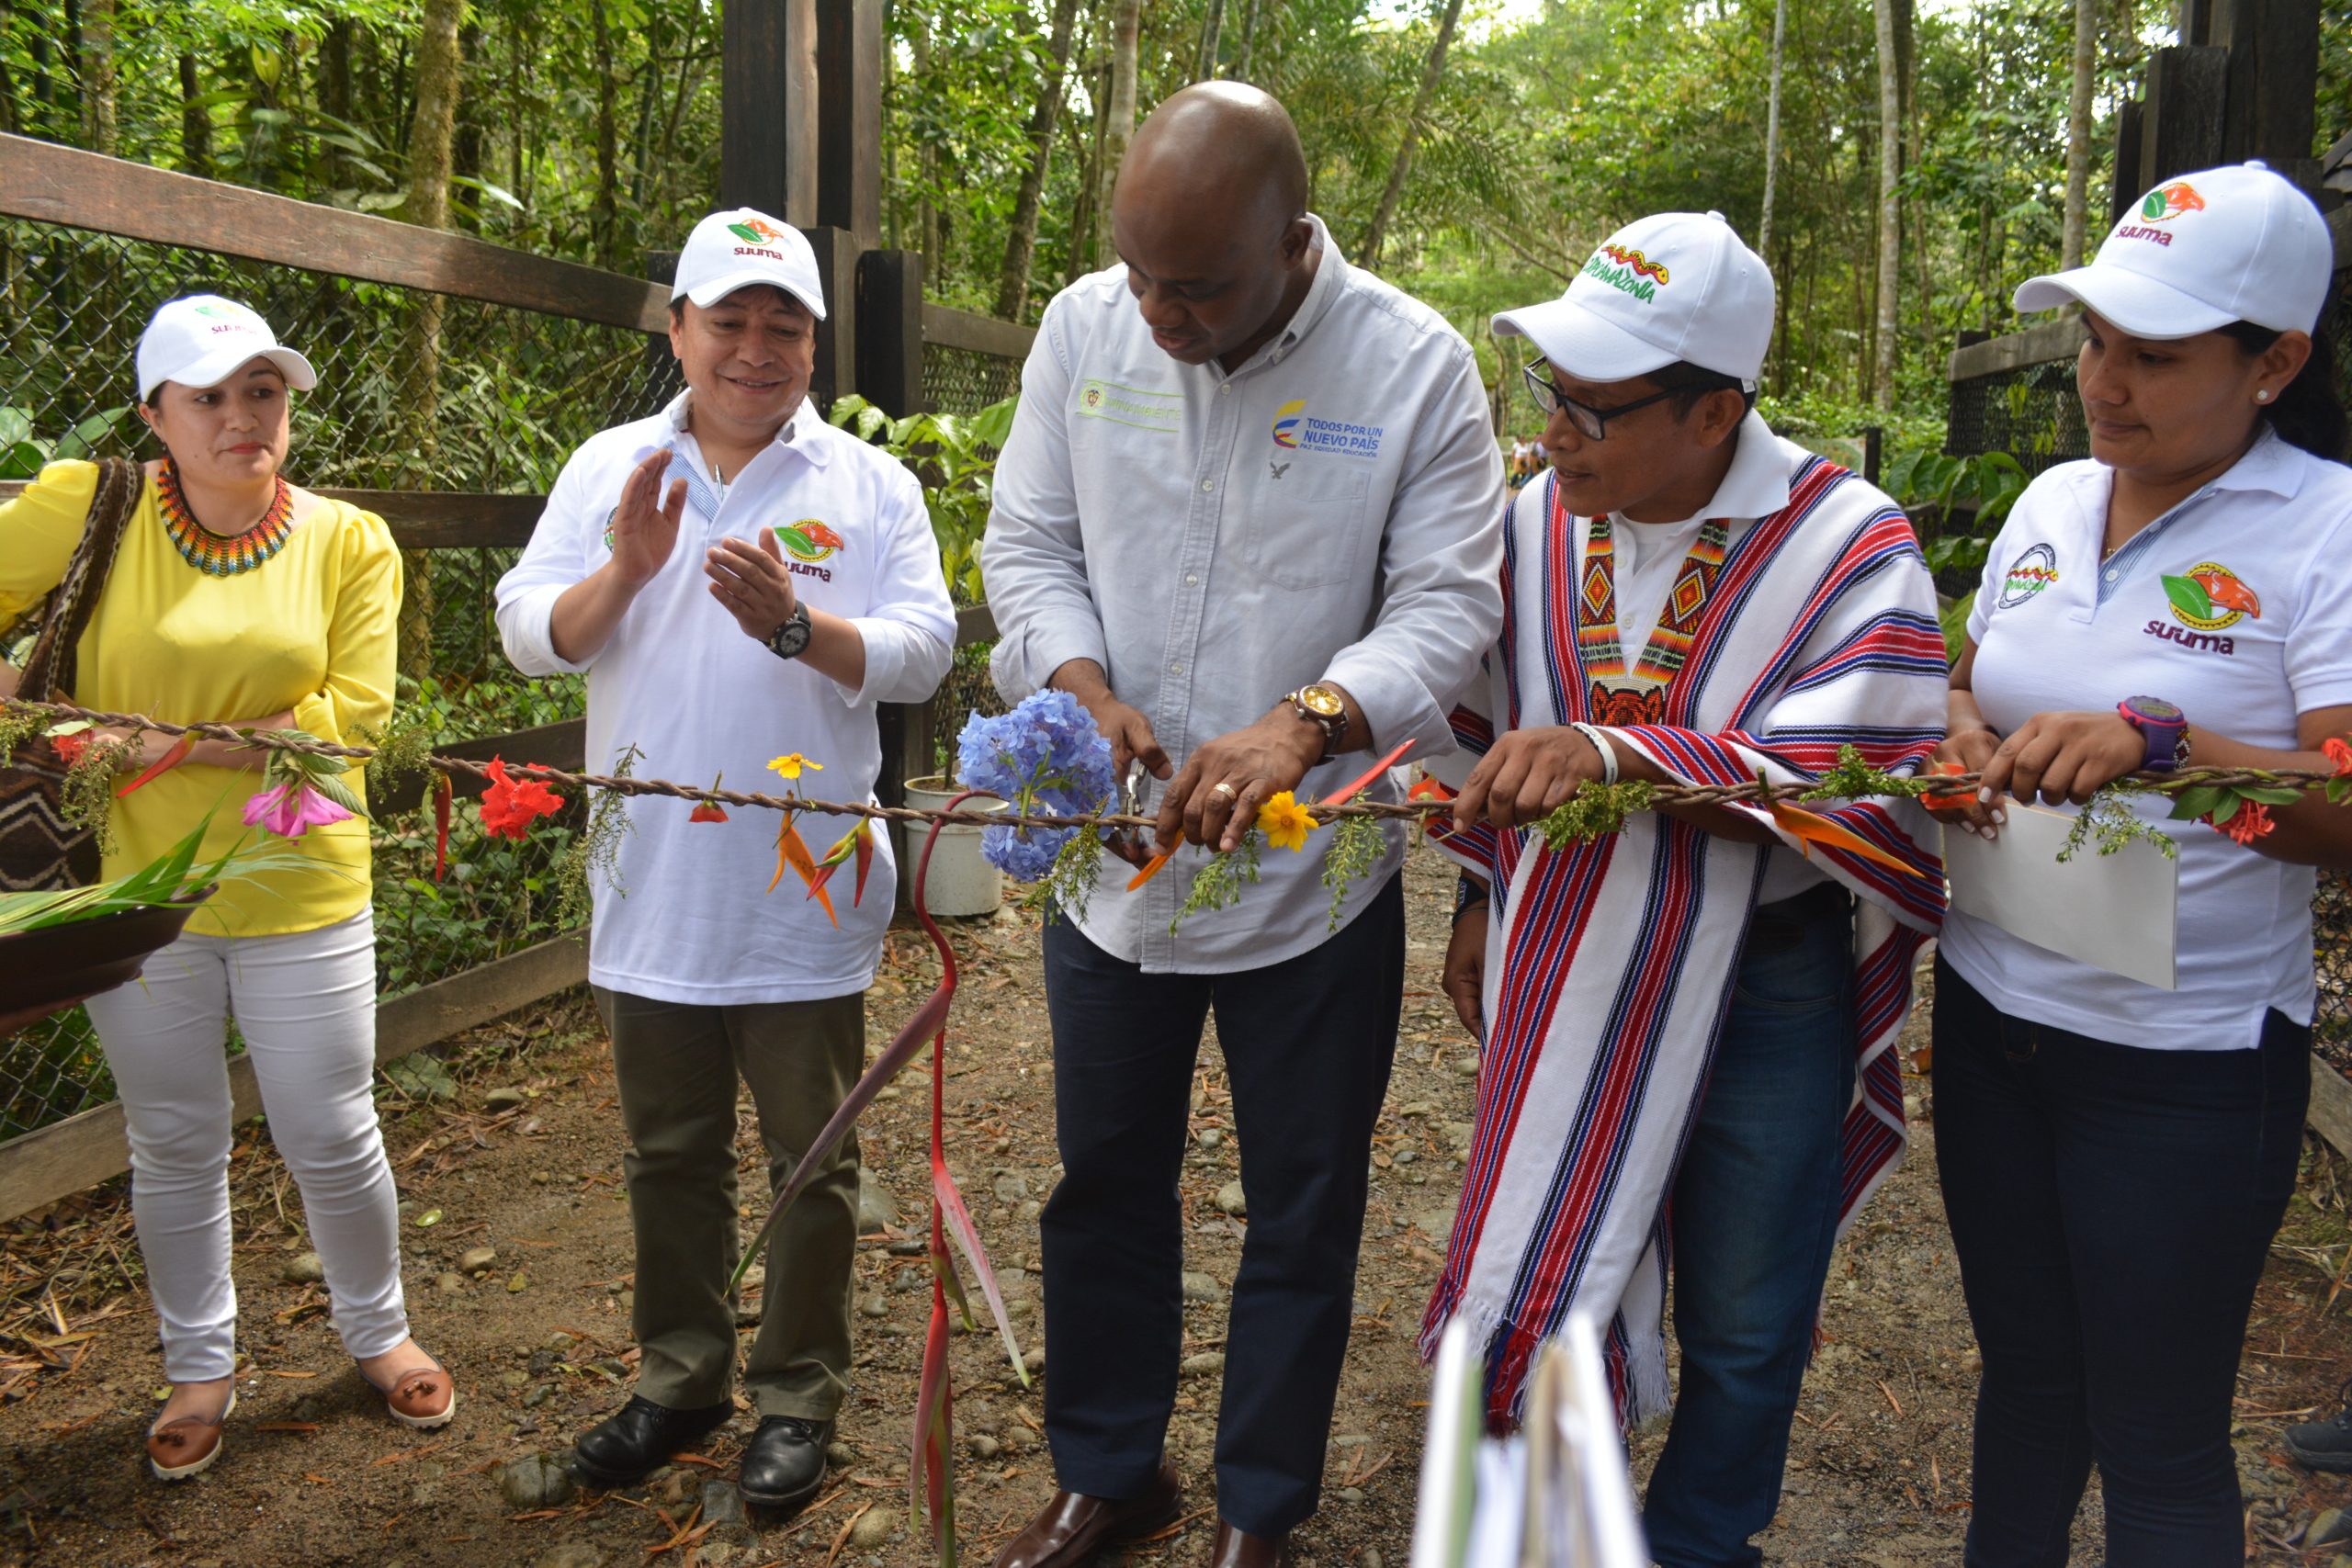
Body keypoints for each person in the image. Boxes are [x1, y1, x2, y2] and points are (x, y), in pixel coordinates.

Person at [982, 83, 1505, 1568]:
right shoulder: (1086, 330)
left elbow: (1452, 604)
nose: (1157, 312)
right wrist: (1077, 684)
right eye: (1140, 273)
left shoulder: (1412, 366)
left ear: (1293, 241)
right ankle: (1109, 1471)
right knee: (1104, 1187)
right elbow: (1029, 539)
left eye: (1197, 285)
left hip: (1312, 883)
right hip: (1118, 873)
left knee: (1302, 1206)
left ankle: (1260, 1509)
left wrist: (1312, 718)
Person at [1422, 212, 1947, 1567]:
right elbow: (1482, 723)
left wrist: (1616, 750)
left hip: (1767, 966)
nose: (1556, 432)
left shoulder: (1844, 538)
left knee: (1749, 1301)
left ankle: (1705, 1535)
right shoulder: (1533, 523)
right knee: (1541, 1235)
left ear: (1717, 409)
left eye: (1595, 406)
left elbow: (1863, 762)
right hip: (1564, 942)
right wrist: (1482, 895)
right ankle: (1538, 1531)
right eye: (1550, 394)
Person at [494, 209, 956, 1513]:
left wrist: (801, 627)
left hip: (801, 882)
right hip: (653, 880)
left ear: (815, 342)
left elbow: (923, 648)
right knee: (668, 1148)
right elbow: (529, 628)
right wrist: (626, 575)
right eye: (731, 320)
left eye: (786, 326)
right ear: (680, 327)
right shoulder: (610, 470)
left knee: (815, 1153)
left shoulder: (870, 485)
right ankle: (680, 1374)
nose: (757, 349)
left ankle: (800, 1391)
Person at [1931, 162, 2352, 1564]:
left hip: (2184, 1064)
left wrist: (2164, 743)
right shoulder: (2054, 501)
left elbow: (2349, 802)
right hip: (1996, 1025)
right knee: (2027, 1384)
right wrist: (1952, 733)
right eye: (2098, 342)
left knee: (2159, 1430)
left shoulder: (2325, 532)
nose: (2103, 384)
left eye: (2155, 357)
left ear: (2277, 361)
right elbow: (1972, 682)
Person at [0, 295, 453, 1480]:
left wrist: (172, 743)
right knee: (173, 1135)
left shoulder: (349, 542)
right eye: (209, 396)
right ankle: (199, 1366)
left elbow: (353, 724)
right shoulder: (83, 506)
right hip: (131, 892)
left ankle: (378, 1330)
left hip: (296, 873)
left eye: (264, 391)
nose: (243, 416)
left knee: (330, 1126)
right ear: (157, 417)